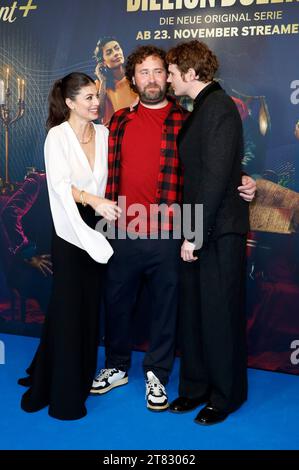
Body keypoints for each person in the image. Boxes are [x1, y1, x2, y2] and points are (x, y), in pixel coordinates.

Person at [90, 45, 256, 412]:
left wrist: (243, 179)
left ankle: (158, 374)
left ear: (169, 76)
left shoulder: (188, 119)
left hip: (171, 232)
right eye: (144, 72)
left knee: (168, 309)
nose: (152, 78)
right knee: (116, 304)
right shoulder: (116, 121)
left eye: (158, 71)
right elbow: (96, 173)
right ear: (132, 79)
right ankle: (116, 366)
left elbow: (213, 165)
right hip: (120, 229)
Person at [19, 72, 121, 420]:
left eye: (97, 96)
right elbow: (61, 187)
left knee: (89, 307)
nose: (96, 102)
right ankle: (59, 391)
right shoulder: (57, 137)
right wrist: (93, 199)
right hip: (68, 229)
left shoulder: (106, 135)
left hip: (99, 228)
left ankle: (62, 373)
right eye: (88, 97)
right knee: (67, 308)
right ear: (70, 102)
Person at [166, 41, 250, 425]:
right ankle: (196, 388)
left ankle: (225, 395)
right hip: (201, 228)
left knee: (218, 316)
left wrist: (195, 235)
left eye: (171, 71)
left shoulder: (218, 107)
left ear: (190, 72)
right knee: (196, 314)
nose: (167, 78)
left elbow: (216, 178)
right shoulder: (202, 107)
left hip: (217, 232)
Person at [94, 37, 137, 125]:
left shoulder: (137, 76)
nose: (116, 53)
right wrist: (103, 82)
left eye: (117, 48)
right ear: (103, 62)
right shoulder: (100, 84)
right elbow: (98, 114)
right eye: (109, 52)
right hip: (115, 133)